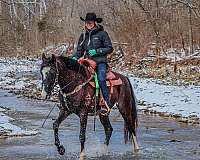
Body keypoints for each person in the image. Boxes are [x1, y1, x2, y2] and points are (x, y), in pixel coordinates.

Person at [72, 12, 113, 114]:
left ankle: (106, 103)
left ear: (95, 22)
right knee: (76, 77)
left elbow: (109, 48)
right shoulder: (83, 35)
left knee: (101, 78)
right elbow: (79, 51)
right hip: (86, 62)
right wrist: (73, 58)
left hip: (100, 62)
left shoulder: (102, 34)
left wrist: (97, 51)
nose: (88, 24)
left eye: (90, 22)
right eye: (87, 22)